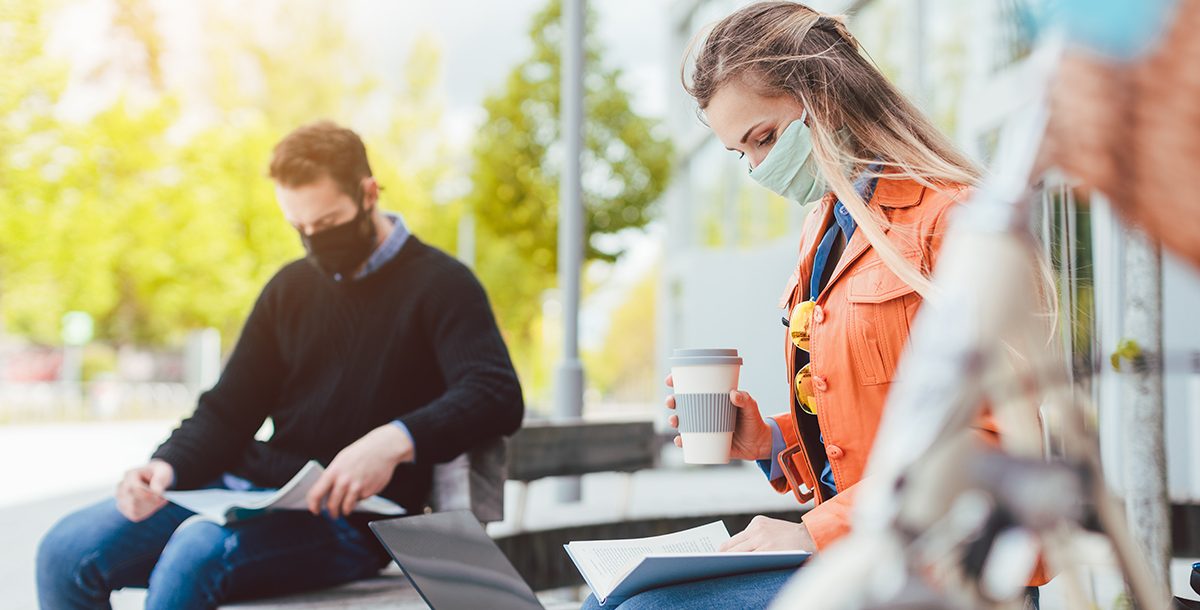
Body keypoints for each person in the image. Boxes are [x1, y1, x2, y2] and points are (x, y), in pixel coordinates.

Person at [582, 2, 1044, 608]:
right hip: (858, 558)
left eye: (765, 137)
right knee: (607, 599)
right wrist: (770, 440)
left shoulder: (953, 221)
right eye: (740, 153)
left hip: (936, 573)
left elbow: (995, 445)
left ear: (825, 95)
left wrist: (812, 531)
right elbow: (867, 434)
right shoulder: (824, 231)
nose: (758, 167)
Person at [36, 120, 525, 610]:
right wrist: (164, 465)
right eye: (300, 228)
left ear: (369, 192)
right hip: (253, 494)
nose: (314, 241)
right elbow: (228, 410)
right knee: (64, 553)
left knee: (197, 551)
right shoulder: (290, 288)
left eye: (327, 223)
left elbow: (494, 391)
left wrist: (393, 441)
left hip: (352, 519)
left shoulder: (441, 284)